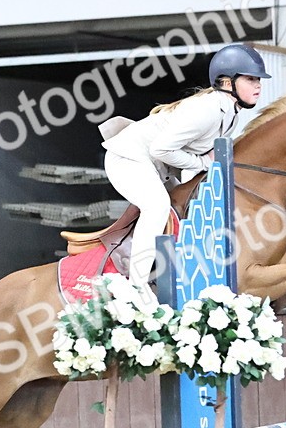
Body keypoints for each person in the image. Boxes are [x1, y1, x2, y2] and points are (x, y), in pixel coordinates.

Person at [100, 43, 269, 288]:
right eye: (251, 79)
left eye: (258, 80)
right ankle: (136, 286)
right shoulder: (207, 110)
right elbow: (161, 149)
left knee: (184, 205)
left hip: (158, 167)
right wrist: (202, 163)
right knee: (157, 206)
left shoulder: (231, 113)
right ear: (227, 82)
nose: (258, 85)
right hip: (128, 158)